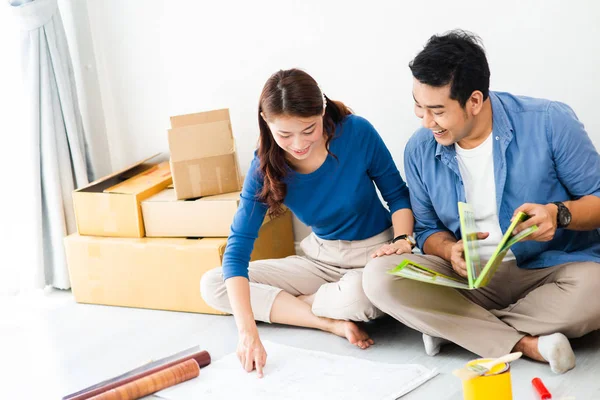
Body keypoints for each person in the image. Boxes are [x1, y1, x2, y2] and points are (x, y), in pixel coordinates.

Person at [363, 30, 600, 374]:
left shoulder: (549, 121)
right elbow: (428, 229)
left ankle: (457, 330)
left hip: (547, 271)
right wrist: (448, 251)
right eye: (419, 106)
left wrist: (558, 214)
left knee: (596, 289)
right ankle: (525, 343)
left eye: (437, 111)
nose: (426, 121)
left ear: (474, 101)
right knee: (379, 277)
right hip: (468, 282)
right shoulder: (419, 149)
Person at [201, 68, 414, 377]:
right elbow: (237, 249)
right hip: (319, 260)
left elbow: (397, 195)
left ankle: (301, 303)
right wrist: (247, 332)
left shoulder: (356, 132)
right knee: (213, 284)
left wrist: (403, 241)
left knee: (363, 296)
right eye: (284, 134)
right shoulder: (265, 163)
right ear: (265, 120)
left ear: (322, 111)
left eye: (309, 129)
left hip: (375, 254)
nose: (299, 143)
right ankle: (327, 321)